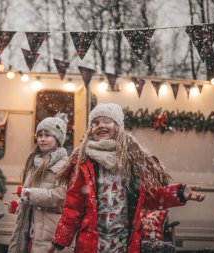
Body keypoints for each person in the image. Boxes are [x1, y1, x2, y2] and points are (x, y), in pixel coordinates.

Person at [47, 103, 205, 253]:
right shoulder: (83, 164)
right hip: (92, 245)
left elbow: (149, 196)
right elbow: (73, 209)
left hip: (126, 245)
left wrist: (178, 193)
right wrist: (59, 241)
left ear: (118, 127)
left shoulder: (132, 162)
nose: (100, 125)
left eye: (107, 121)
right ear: (90, 130)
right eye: (95, 122)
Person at [7, 113, 73, 253]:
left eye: (47, 135)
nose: (42, 139)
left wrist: (28, 194)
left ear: (58, 139)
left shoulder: (64, 165)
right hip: (30, 232)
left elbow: (60, 196)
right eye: (40, 135)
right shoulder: (34, 163)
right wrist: (19, 206)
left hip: (48, 233)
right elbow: (33, 200)